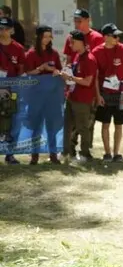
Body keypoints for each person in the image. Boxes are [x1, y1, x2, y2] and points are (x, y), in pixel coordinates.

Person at [93, 23, 123, 163]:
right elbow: (95, 76)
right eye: (114, 35)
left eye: (118, 35)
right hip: (105, 93)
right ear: (106, 37)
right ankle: (107, 153)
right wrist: (98, 95)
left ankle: (117, 153)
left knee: (119, 123)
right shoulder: (96, 52)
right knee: (105, 123)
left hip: (120, 93)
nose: (117, 38)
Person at [64, 9, 104, 151]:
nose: (76, 23)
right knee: (71, 120)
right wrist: (67, 78)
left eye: (79, 20)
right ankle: (71, 148)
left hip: (91, 85)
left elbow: (98, 65)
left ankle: (86, 150)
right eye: (74, 20)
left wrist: (98, 92)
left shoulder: (97, 38)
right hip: (74, 85)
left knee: (87, 122)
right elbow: (69, 61)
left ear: (88, 20)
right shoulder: (71, 37)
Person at [23, 25, 63, 165]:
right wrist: (41, 69)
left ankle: (53, 154)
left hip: (51, 96)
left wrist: (54, 70)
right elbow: (27, 73)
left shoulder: (54, 53)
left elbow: (59, 71)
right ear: (38, 37)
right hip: (36, 96)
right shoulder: (31, 54)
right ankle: (34, 156)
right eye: (45, 36)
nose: (47, 39)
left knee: (51, 126)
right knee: (36, 126)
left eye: (49, 36)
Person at [58, 31, 97, 163]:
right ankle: (66, 152)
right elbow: (75, 73)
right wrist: (66, 71)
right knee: (67, 125)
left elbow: (87, 81)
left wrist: (70, 77)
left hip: (82, 99)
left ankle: (85, 154)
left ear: (81, 42)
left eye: (72, 41)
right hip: (71, 96)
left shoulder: (90, 59)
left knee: (82, 127)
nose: (70, 44)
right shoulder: (77, 56)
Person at [0, 16, 25, 164]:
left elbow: (21, 70)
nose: (3, 32)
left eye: (6, 29)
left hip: (13, 89)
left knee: (14, 120)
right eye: (1, 28)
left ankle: (10, 153)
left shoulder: (18, 48)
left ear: (12, 30)